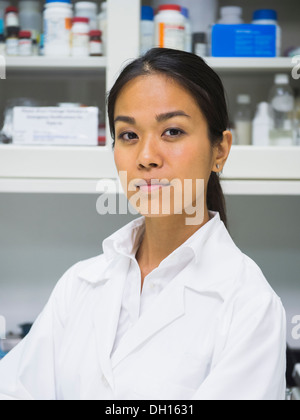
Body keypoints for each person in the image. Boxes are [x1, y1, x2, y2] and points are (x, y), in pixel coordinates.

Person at [0, 48, 286, 400]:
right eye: (129, 135)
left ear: (220, 150)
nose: (147, 157)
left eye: (173, 131)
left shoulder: (250, 305)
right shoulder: (79, 284)